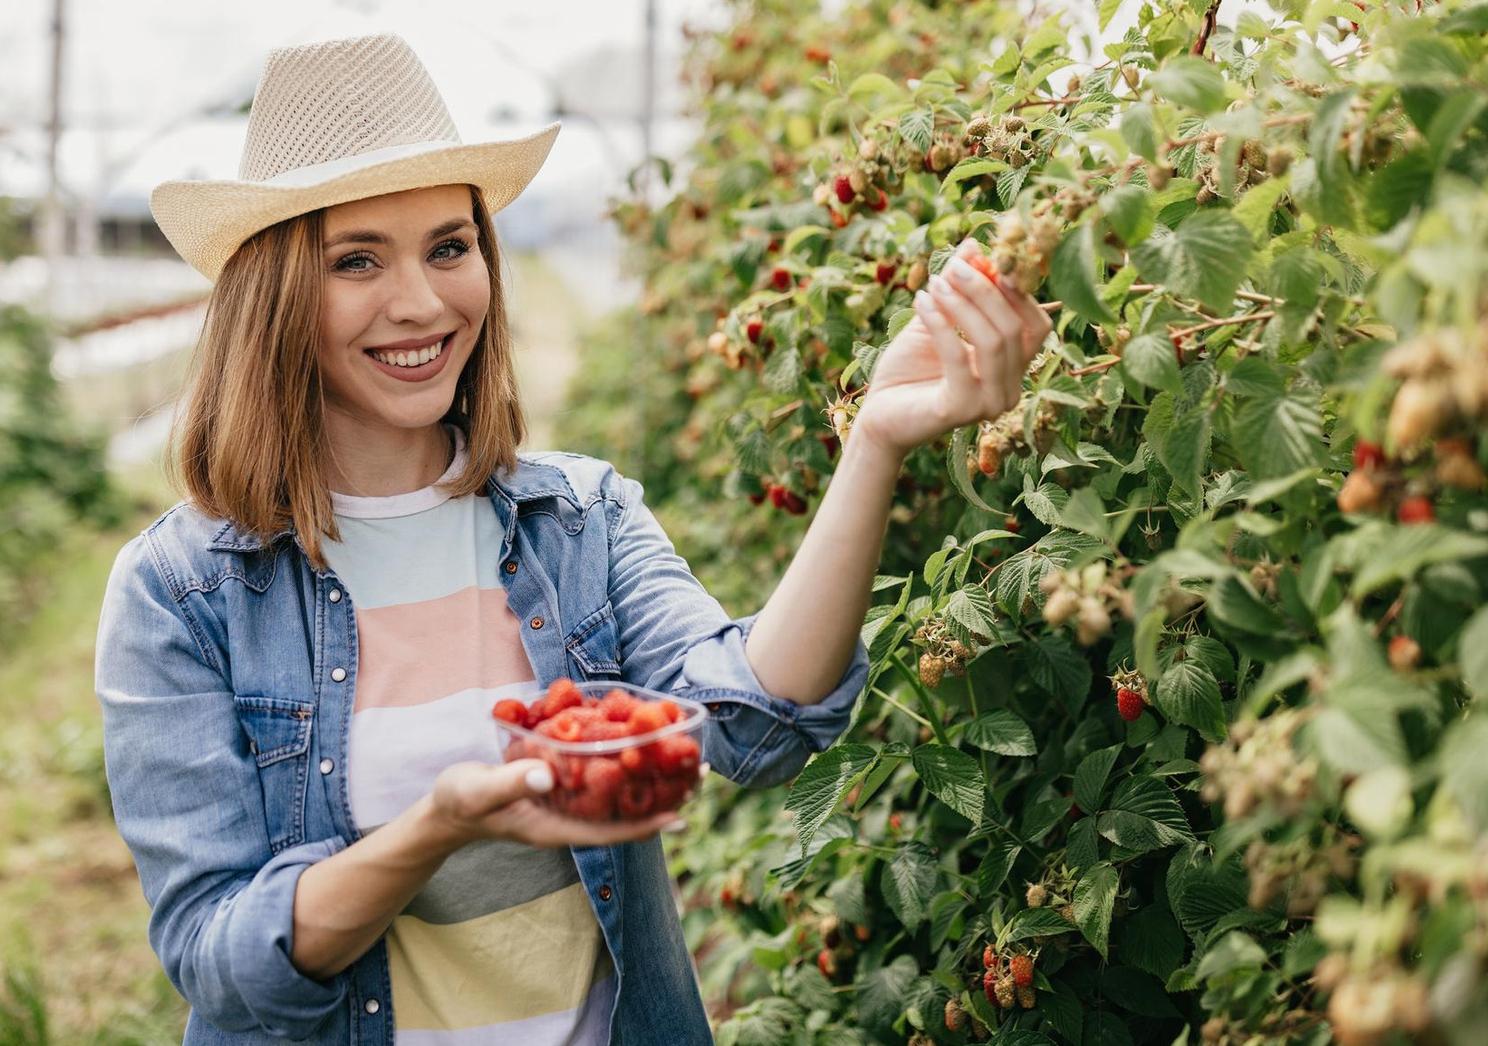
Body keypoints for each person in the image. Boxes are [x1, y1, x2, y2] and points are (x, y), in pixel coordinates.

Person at [94, 31, 1052, 1046]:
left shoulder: (577, 519)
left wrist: (877, 436)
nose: (422, 301)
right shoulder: (185, 590)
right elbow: (220, 958)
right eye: (357, 259)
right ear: (276, 296)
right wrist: (438, 826)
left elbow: (756, 723)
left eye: (449, 246)